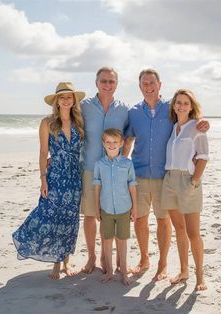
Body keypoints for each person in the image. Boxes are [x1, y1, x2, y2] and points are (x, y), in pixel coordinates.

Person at [124, 68, 210, 280]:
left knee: (164, 221)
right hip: (140, 173)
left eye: (152, 82)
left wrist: (203, 122)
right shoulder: (133, 112)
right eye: (144, 83)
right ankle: (144, 259)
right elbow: (127, 141)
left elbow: (189, 120)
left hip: (166, 177)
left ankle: (162, 264)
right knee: (140, 219)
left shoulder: (170, 109)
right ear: (139, 86)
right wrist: (119, 168)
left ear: (160, 85)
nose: (148, 86)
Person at [12, 82, 85, 279]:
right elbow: (44, 152)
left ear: (74, 100)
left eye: (69, 96)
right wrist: (43, 178)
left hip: (74, 178)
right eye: (62, 97)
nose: (66, 100)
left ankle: (65, 262)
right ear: (56, 101)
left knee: (70, 220)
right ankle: (55, 262)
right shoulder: (47, 123)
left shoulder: (79, 122)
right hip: (55, 176)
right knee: (50, 216)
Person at [80, 67, 129, 274]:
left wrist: (122, 161)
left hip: (114, 171)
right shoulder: (83, 106)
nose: (107, 85)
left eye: (111, 81)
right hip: (90, 168)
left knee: (111, 213)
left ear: (116, 84)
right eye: (104, 81)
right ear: (96, 83)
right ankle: (92, 256)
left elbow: (129, 138)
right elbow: (67, 126)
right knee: (91, 215)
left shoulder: (124, 109)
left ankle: (107, 256)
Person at [161, 89, 208, 291]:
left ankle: (200, 276)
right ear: (174, 105)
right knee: (179, 229)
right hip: (169, 179)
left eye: (185, 103)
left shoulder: (197, 128)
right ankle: (184, 270)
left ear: (191, 106)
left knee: (193, 232)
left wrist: (195, 181)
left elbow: (203, 157)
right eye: (178, 102)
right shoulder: (173, 128)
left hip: (188, 180)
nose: (181, 106)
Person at [93, 128, 137, 285]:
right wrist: (97, 207)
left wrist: (135, 208)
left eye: (115, 142)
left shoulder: (127, 163)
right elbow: (97, 186)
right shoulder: (99, 164)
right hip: (106, 208)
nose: (112, 145)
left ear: (121, 143)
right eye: (108, 142)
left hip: (124, 208)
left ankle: (124, 272)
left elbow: (132, 186)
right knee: (107, 240)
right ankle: (110, 271)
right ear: (103, 143)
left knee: (122, 241)